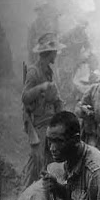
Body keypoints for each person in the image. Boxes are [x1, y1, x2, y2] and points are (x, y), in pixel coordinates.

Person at [22, 32, 65, 188]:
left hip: (50, 123)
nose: (56, 55)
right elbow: (25, 97)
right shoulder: (34, 71)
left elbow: (55, 97)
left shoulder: (48, 71)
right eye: (55, 52)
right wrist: (41, 87)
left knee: (50, 161)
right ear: (49, 53)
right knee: (37, 163)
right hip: (39, 125)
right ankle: (25, 194)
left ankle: (46, 193)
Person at [27, 0, 61, 64]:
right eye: (40, 10)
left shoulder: (52, 23)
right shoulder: (34, 25)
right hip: (39, 55)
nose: (42, 12)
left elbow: (56, 37)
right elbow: (30, 44)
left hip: (50, 55)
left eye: (44, 9)